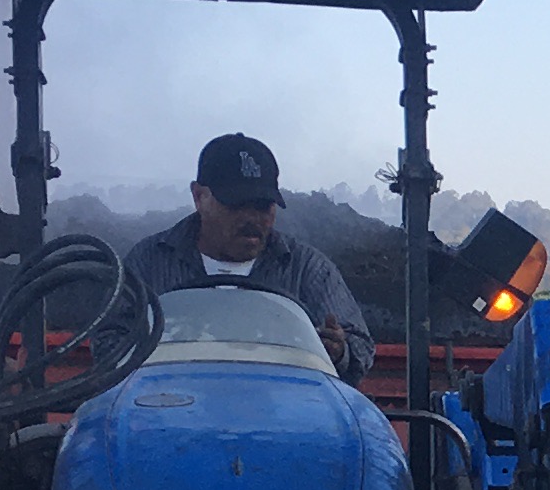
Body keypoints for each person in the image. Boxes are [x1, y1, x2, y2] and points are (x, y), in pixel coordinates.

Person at [124, 134, 375, 376]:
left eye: (262, 206)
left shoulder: (308, 269)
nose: (252, 219)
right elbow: (110, 343)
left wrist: (338, 350)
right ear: (199, 196)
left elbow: (360, 348)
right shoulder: (148, 261)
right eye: (236, 205)